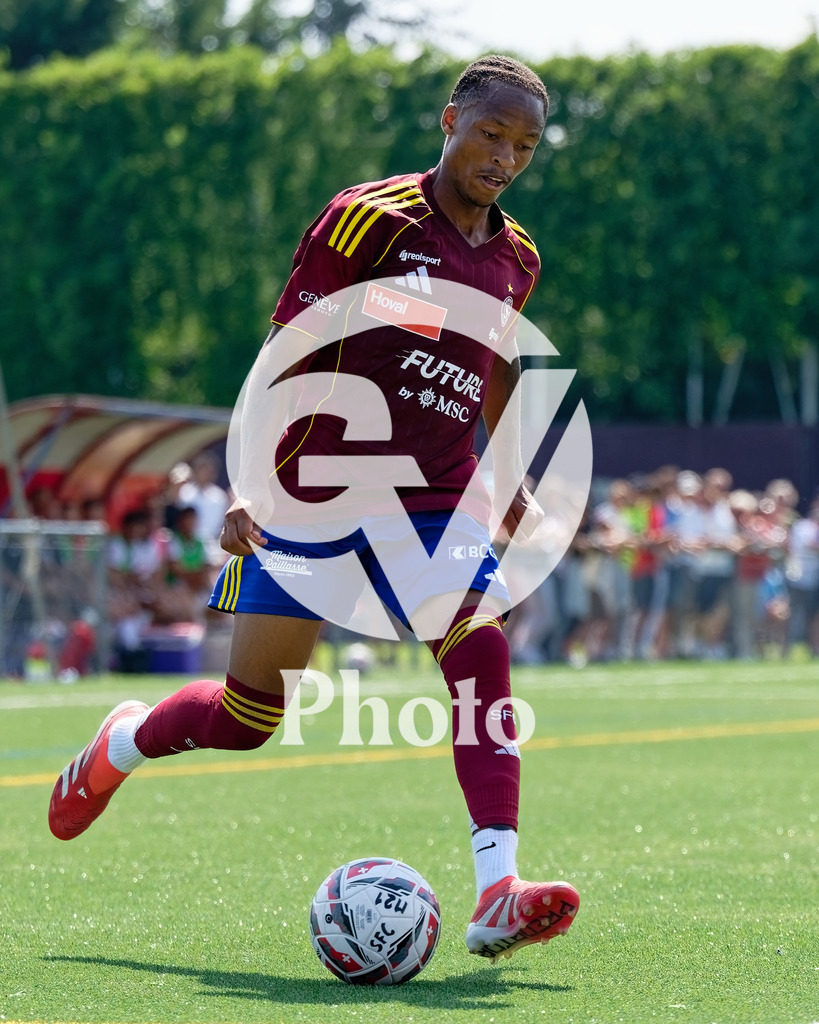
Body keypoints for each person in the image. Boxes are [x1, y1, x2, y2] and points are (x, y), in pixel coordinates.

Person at [48, 55, 579, 963]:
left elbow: (494, 366)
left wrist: (508, 470)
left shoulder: (517, 258)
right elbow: (285, 347)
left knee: (476, 636)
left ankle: (498, 885)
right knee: (247, 718)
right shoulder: (366, 217)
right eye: (489, 133)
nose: (504, 157)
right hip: (315, 493)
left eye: (523, 146)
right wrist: (246, 482)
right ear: (448, 120)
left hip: (433, 496)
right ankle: (125, 741)